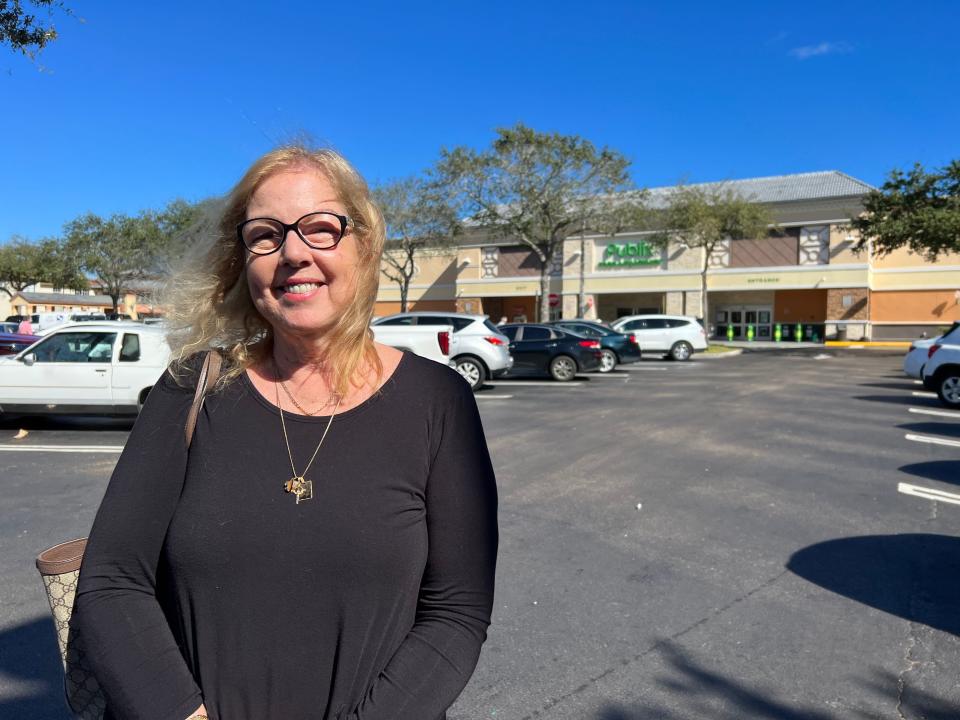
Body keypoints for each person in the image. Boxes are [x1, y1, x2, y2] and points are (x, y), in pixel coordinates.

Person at [73, 145, 499, 720]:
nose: (293, 253)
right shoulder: (191, 388)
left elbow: (456, 613)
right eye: (266, 234)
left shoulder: (438, 401)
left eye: (321, 228)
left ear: (365, 246)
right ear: (241, 260)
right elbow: (111, 581)